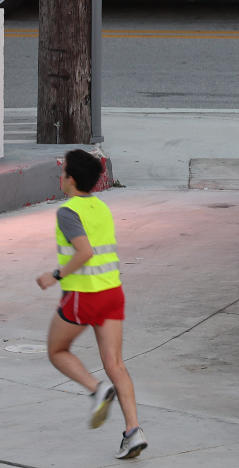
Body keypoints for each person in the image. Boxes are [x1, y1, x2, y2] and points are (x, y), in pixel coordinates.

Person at [35, 149, 148, 460]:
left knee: (56, 351)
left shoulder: (67, 211)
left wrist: (54, 275)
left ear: (71, 180)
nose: (61, 177)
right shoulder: (101, 207)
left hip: (85, 295)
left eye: (63, 173)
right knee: (115, 363)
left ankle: (97, 389)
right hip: (112, 292)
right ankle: (133, 430)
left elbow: (83, 253)